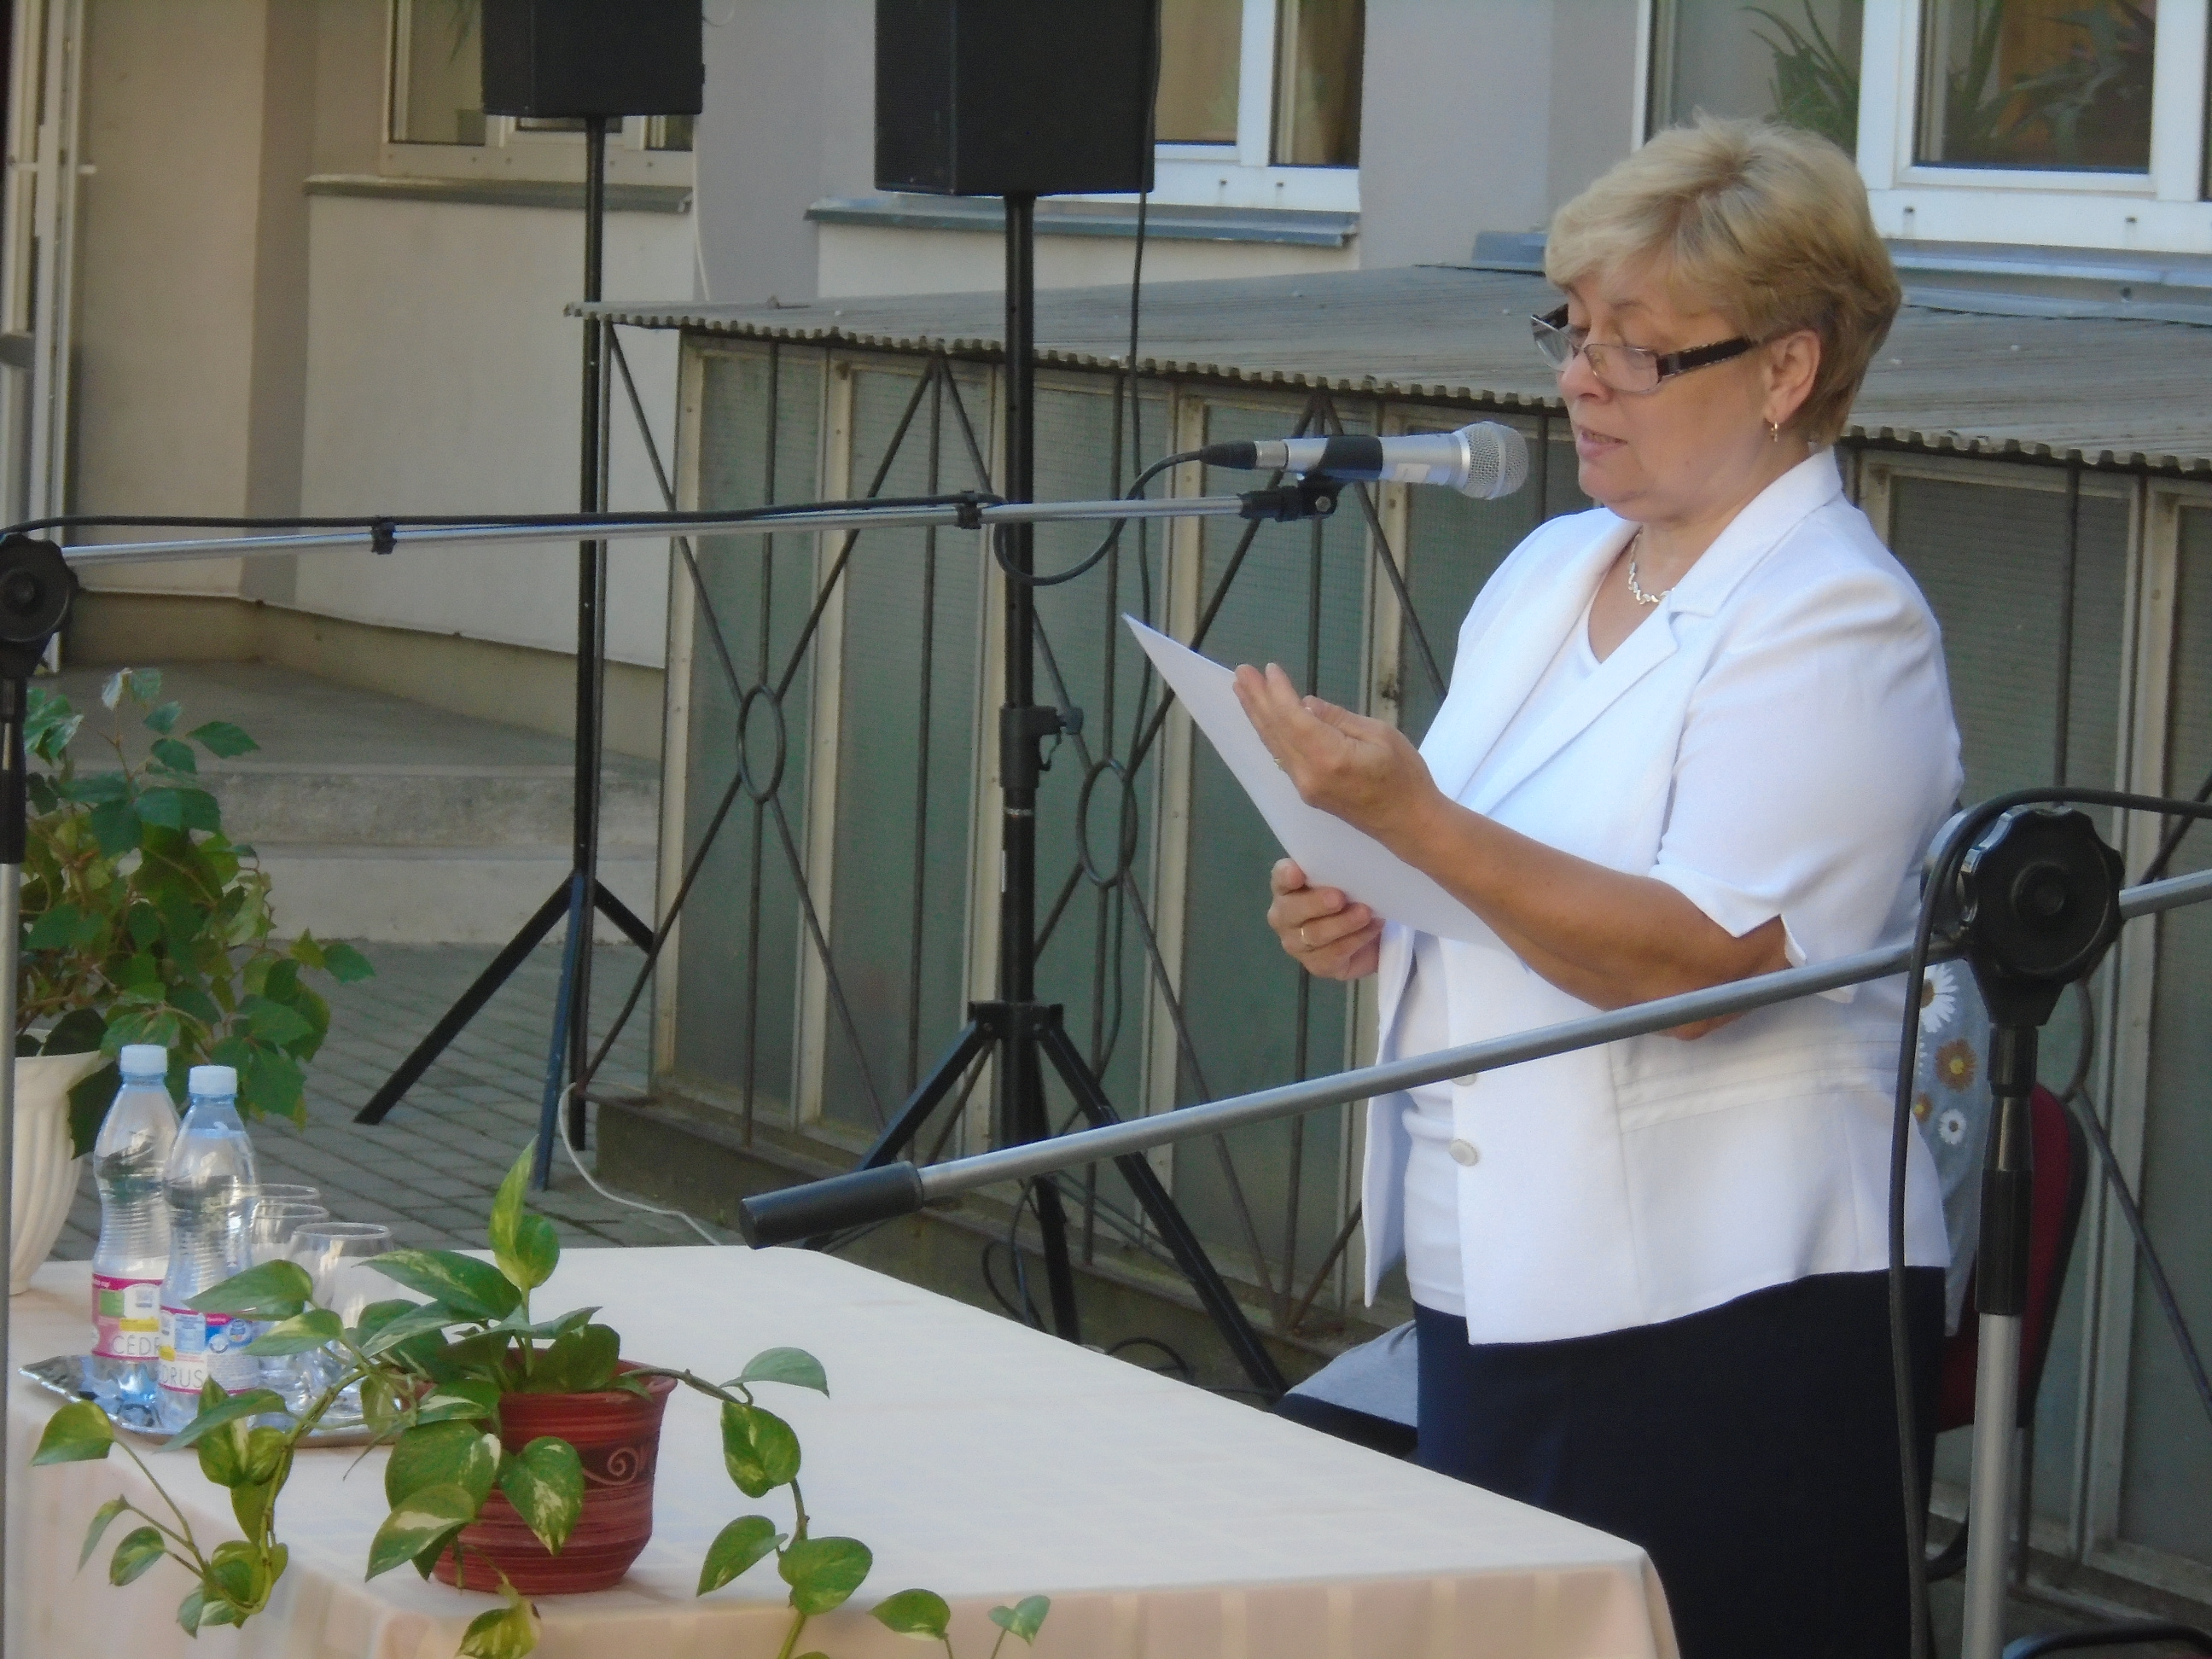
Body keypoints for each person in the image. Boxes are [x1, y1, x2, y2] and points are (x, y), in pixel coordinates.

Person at [1233, 116, 1959, 1659]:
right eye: (1572, 330)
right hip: (1498, 1262)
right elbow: (1486, 873)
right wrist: (1360, 895)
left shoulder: (1840, 617)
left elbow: (1698, 969)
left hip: (1722, 1306)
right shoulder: (1554, 568)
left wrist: (1416, 826)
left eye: (1639, 347)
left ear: (1785, 369)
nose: (1581, 378)